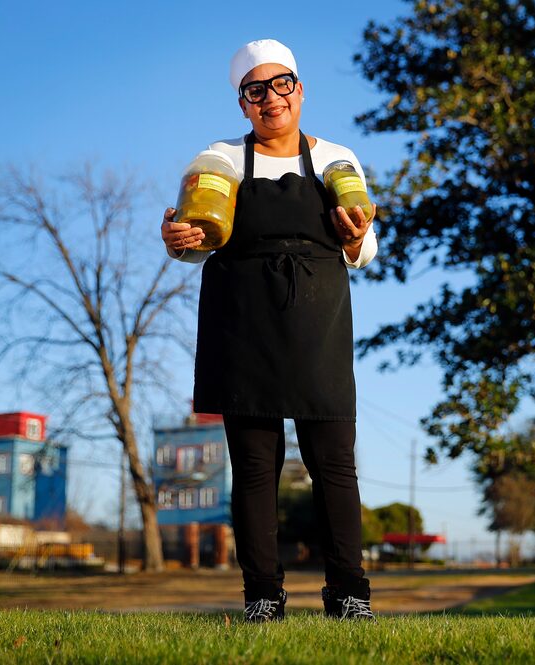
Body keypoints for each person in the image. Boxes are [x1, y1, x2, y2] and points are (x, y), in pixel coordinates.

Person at [160, 39, 377, 622]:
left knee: (334, 464)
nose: (270, 98)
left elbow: (364, 247)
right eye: (255, 90)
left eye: (281, 84)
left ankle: (348, 592)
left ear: (299, 90)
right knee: (255, 466)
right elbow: (198, 232)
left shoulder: (336, 158)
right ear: (243, 104)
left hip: (318, 320)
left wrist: (353, 235)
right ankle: (262, 595)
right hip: (242, 323)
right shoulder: (220, 159)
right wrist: (179, 239)